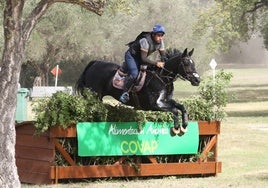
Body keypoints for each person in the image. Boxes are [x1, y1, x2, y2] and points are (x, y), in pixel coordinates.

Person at [119, 24, 166, 103]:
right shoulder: (145, 40)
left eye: (162, 35)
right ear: (153, 34)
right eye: (159, 35)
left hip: (141, 58)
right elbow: (143, 59)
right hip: (131, 56)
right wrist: (156, 63)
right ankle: (124, 93)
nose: (160, 37)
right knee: (134, 74)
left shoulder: (161, 42)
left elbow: (163, 57)